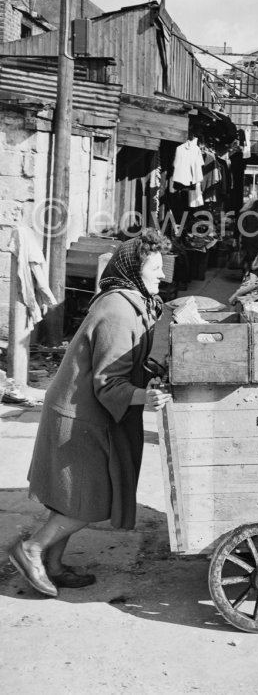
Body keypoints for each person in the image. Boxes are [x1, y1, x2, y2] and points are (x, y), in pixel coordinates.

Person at [9, 229, 173, 598]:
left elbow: (123, 362)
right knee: (88, 499)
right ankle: (32, 549)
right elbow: (108, 383)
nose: (162, 275)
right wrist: (144, 397)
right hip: (79, 417)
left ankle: (52, 565)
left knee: (72, 497)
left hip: (83, 412)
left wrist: (150, 372)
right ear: (134, 269)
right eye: (156, 268)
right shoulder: (118, 311)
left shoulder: (133, 302)